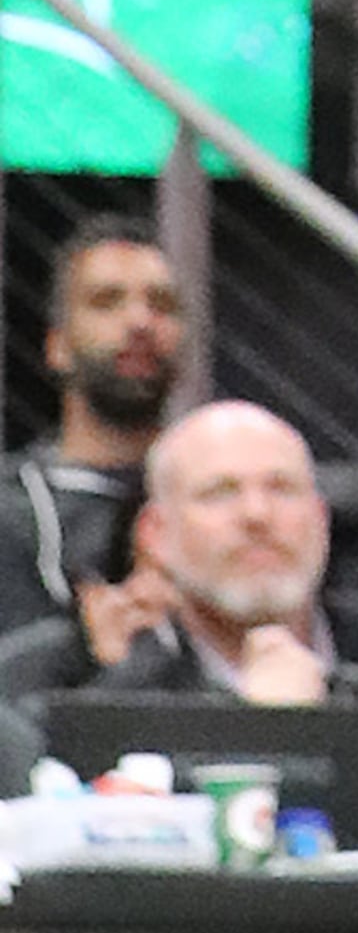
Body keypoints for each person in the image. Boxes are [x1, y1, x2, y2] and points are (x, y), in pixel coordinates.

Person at [0, 398, 358, 771]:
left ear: (321, 518)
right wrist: (258, 730)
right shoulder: (56, 680)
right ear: (157, 534)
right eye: (220, 493)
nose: (257, 515)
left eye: (283, 489)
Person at [0, 218, 184, 650]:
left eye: (161, 304)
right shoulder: (12, 508)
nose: (140, 321)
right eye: (107, 301)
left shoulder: (224, 497)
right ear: (57, 346)